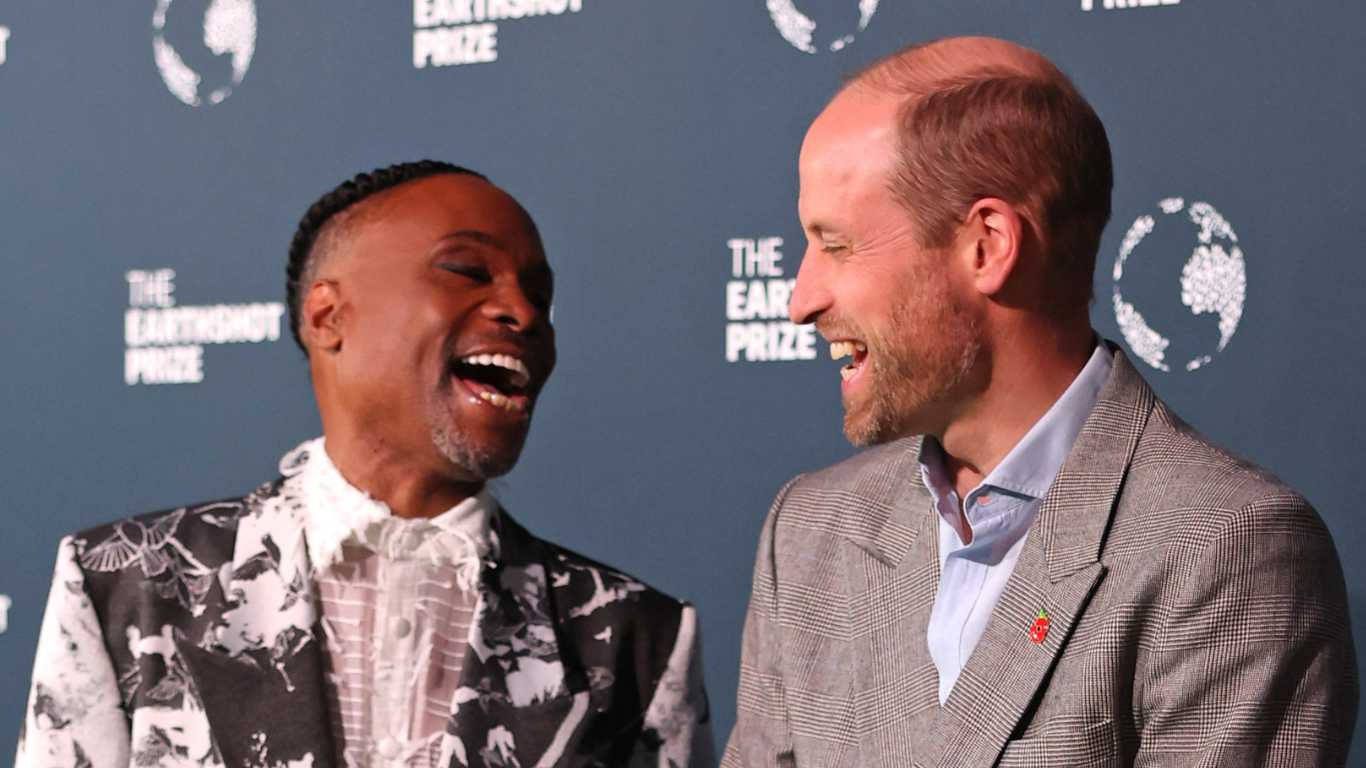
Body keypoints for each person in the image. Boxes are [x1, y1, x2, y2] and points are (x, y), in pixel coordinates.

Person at [724, 37, 1356, 766]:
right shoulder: (810, 534)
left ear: (988, 245)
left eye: (835, 246)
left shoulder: (1225, 551)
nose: (800, 301)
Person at [18, 161, 713, 768]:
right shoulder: (127, 587)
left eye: (540, 295)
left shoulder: (632, 638)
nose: (521, 312)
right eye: (469, 271)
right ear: (327, 317)